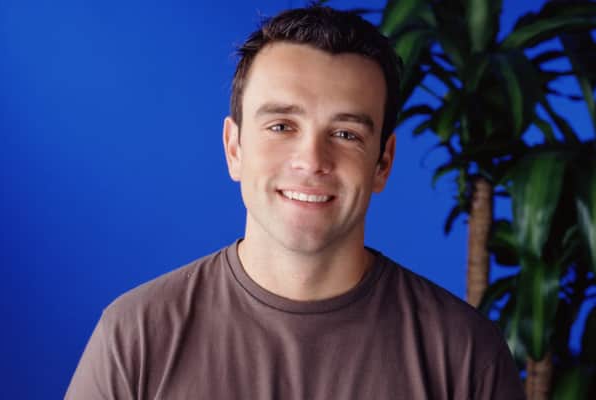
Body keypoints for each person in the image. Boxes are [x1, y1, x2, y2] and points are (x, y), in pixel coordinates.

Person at [66, 6, 525, 399]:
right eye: (282, 126)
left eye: (345, 133)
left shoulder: (465, 355)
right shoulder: (134, 336)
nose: (312, 160)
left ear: (383, 163)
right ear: (234, 148)